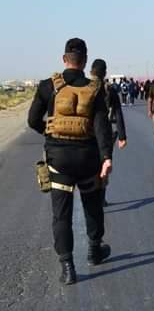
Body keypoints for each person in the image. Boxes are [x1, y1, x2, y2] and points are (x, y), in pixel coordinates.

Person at [27, 38, 114, 285]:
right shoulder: (95, 88)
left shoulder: (47, 86)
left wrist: (50, 132)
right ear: (85, 61)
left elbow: (33, 120)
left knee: (61, 215)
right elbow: (101, 126)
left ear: (64, 59)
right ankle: (94, 251)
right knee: (93, 206)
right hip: (88, 159)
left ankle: (67, 268)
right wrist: (106, 157)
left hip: (59, 161)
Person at [90, 59, 127, 208]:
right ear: (104, 73)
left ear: (91, 71)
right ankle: (101, 197)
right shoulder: (109, 90)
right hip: (107, 132)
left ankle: (91, 196)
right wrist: (123, 136)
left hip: (88, 132)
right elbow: (118, 113)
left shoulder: (85, 87)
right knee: (104, 163)